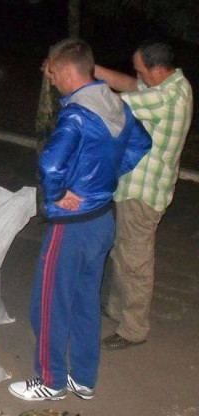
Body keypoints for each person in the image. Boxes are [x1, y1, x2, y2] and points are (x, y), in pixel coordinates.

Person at [8, 39, 151, 401]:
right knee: (85, 301)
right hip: (102, 220)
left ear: (68, 71)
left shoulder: (76, 115)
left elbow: (50, 164)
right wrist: (106, 176)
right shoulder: (116, 103)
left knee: (49, 303)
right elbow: (141, 143)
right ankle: (84, 378)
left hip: (72, 226)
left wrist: (58, 195)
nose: (52, 80)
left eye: (54, 73)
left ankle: (51, 381)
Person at [95, 41, 193, 350]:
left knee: (134, 261)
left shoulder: (166, 98)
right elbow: (129, 84)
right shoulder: (173, 84)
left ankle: (133, 329)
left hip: (143, 194)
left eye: (141, 71)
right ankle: (116, 308)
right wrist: (90, 68)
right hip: (138, 188)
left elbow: (110, 103)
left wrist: (75, 77)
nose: (137, 76)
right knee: (123, 252)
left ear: (158, 69)